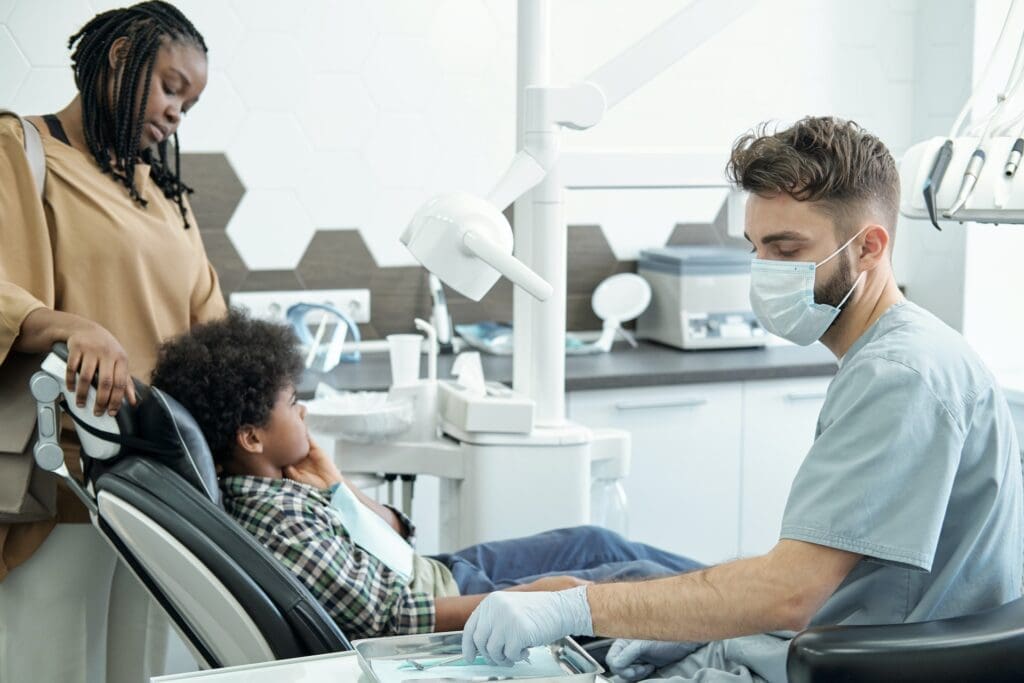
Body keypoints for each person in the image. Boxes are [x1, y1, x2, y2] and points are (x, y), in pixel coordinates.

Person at [456, 116, 1024, 683]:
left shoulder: (899, 375)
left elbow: (788, 594)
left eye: (787, 248)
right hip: (819, 644)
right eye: (756, 248)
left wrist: (573, 608)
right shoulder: (902, 350)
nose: (764, 271)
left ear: (870, 247)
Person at [149, 309, 703, 641]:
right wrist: (543, 599)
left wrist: (337, 486)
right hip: (440, 600)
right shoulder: (283, 523)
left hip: (433, 573)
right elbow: (395, 619)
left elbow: (394, 534)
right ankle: (760, 617)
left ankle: (748, 598)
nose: (305, 411)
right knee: (632, 576)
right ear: (250, 437)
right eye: (293, 403)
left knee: (595, 540)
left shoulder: (285, 482)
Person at [0, 3, 226, 682]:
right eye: (170, 87)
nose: (177, 113)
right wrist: (72, 326)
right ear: (121, 57)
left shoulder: (164, 193)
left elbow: (213, 328)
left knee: (150, 671)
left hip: (163, 488)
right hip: (66, 475)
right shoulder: (22, 149)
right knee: (53, 666)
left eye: (189, 102)